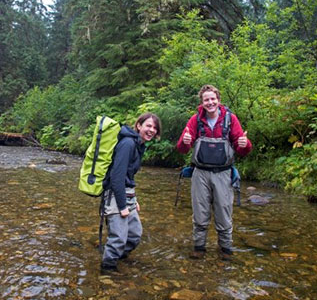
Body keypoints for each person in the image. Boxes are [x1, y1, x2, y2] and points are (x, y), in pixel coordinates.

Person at [177, 85, 252, 261]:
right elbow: (181, 149)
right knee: (200, 214)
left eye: (213, 99)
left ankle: (225, 250)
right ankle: (199, 248)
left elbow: (244, 151)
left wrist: (244, 143)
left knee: (224, 214)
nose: (210, 102)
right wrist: (185, 141)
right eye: (206, 100)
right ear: (201, 103)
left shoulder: (231, 119)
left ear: (218, 99)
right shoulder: (195, 120)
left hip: (223, 174)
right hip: (200, 173)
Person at [100, 113, 161, 273]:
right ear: (139, 126)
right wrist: (122, 206)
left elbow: (129, 176)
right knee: (119, 238)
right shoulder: (127, 143)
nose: (152, 130)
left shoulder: (139, 145)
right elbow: (117, 177)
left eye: (154, 127)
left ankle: (117, 257)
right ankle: (107, 270)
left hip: (128, 194)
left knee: (134, 235)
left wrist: (134, 199)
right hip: (115, 194)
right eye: (148, 126)